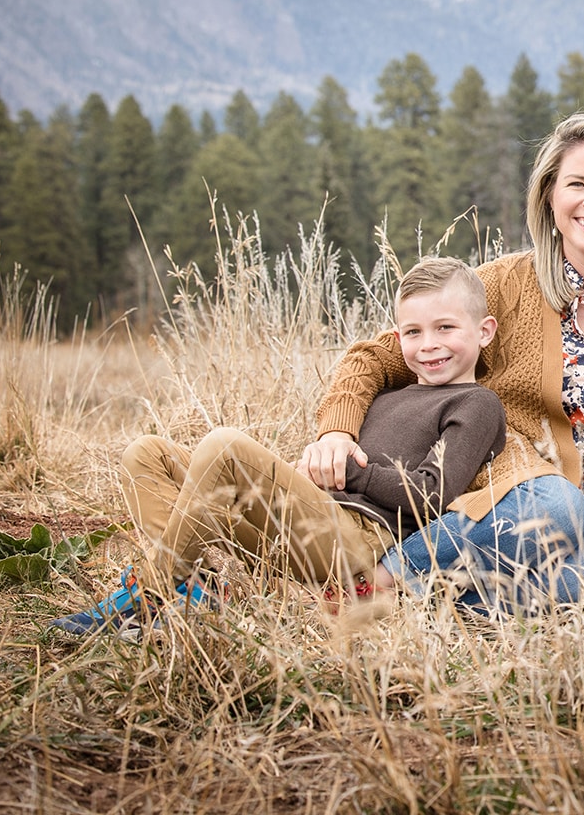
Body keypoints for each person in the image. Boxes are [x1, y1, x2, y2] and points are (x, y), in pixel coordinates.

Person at [297, 113, 584, 614]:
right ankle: (381, 581)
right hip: (517, 501)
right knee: (562, 505)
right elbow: (377, 356)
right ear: (549, 197)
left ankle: (418, 602)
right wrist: (335, 433)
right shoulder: (503, 284)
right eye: (576, 183)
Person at [49, 256, 508, 637]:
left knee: (226, 446)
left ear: (484, 331)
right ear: (397, 336)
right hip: (311, 521)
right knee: (146, 454)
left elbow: (433, 492)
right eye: (413, 332)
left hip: (360, 543)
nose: (428, 345)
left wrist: (353, 473)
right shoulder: (390, 394)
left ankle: (153, 592)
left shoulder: (477, 402)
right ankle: (193, 593)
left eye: (445, 328)